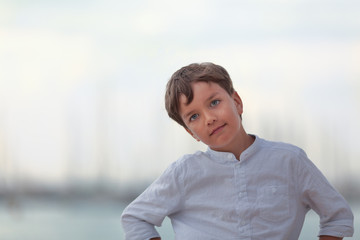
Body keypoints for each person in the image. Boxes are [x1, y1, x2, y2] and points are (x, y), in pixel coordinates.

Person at [121, 62, 354, 240]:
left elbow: (338, 216)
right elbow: (135, 218)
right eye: (194, 116)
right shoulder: (183, 172)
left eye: (214, 103)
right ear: (190, 132)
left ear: (237, 102)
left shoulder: (290, 161)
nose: (209, 118)